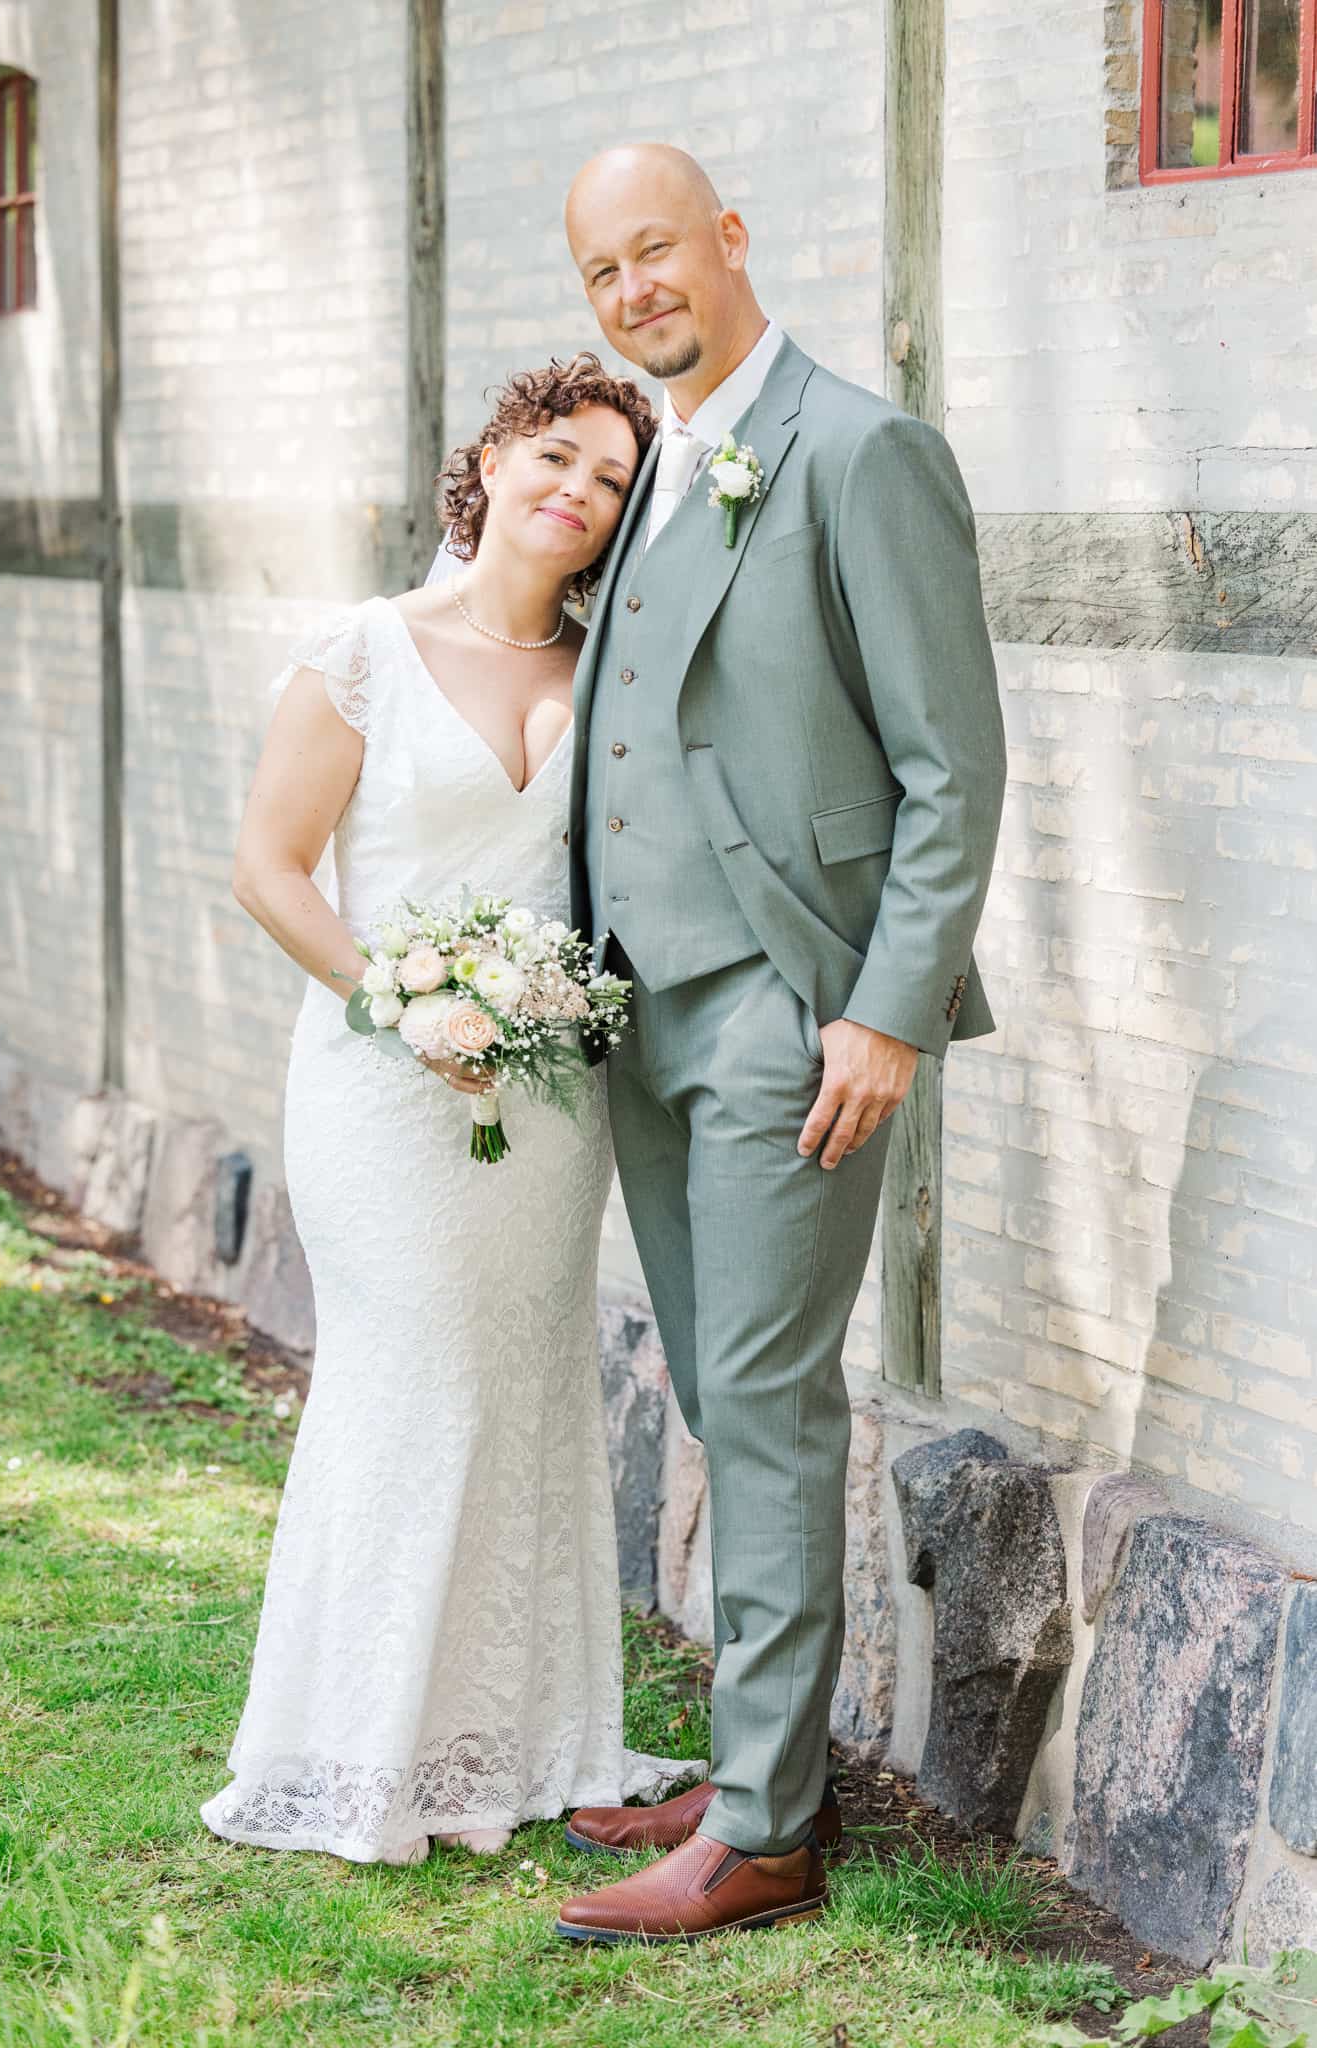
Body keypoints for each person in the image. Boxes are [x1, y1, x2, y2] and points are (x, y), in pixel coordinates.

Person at [553, 145, 1007, 1943]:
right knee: (719, 1395)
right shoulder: (654, 459)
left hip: (785, 1013)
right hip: (639, 1011)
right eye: (601, 272)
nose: (634, 290)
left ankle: (763, 1834)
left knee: (763, 1401)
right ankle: (763, 1765)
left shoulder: (858, 450)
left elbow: (949, 769)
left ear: (730, 238)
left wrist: (887, 1009)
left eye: (654, 249)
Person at [200, 355, 692, 1865]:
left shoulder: (610, 672)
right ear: (490, 461)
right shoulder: (365, 651)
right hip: (381, 1089)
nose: (577, 491)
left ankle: (517, 1736)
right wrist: (403, 1008)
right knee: (408, 1379)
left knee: (526, 1384)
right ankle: (354, 1746)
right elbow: (271, 870)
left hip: (547, 1101)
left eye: (610, 479)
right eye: (556, 455)